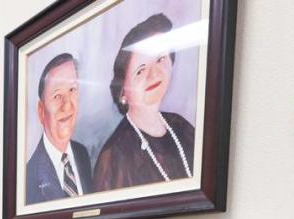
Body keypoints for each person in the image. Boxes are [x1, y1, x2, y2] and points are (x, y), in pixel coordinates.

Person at [92, 13, 195, 191]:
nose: (154, 74)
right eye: (140, 71)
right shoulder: (113, 158)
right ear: (123, 91)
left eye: (160, 59)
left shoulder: (182, 127)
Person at [26, 52, 94, 205]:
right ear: (41, 111)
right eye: (57, 96)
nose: (68, 105)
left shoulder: (81, 154)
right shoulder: (28, 178)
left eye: (72, 90)